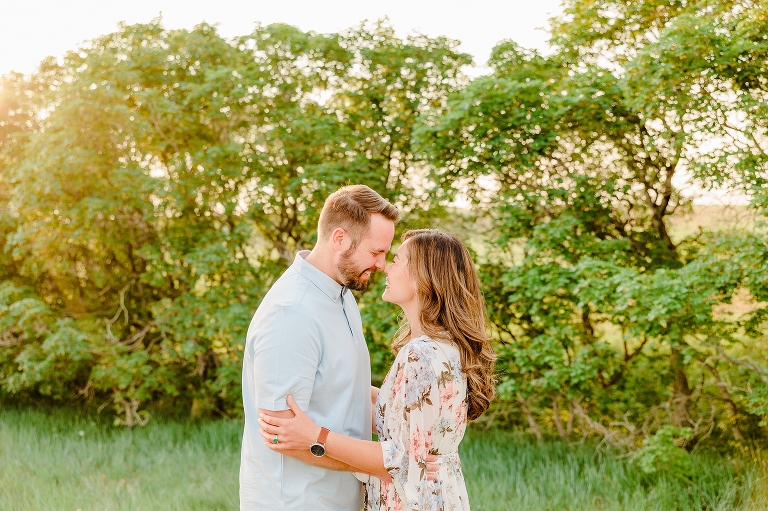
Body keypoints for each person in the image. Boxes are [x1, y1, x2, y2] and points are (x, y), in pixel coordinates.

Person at [259, 229, 497, 511]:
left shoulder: (419, 355)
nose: (385, 267)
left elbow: (403, 460)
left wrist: (314, 436)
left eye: (396, 260)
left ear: (422, 278)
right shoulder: (445, 346)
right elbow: (400, 416)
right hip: (441, 494)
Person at [239, 184, 401, 511]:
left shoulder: (342, 295)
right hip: (296, 502)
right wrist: (378, 465)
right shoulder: (292, 313)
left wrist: (426, 420)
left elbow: (343, 393)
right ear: (339, 239)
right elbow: (280, 436)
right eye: (376, 252)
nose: (382, 264)